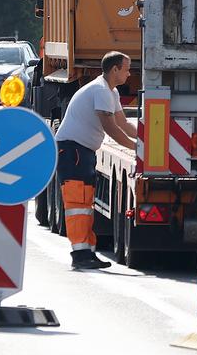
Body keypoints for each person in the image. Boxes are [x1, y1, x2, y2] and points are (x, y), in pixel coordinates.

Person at [53, 51, 137, 270]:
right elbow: (111, 127)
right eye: (126, 69)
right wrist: (135, 148)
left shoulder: (111, 92)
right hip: (73, 151)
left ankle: (87, 252)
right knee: (78, 204)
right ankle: (80, 254)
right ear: (115, 69)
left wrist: (147, 140)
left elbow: (124, 124)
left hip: (82, 151)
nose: (129, 73)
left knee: (85, 204)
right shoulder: (100, 91)